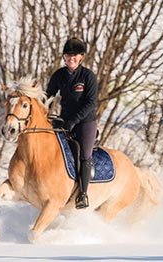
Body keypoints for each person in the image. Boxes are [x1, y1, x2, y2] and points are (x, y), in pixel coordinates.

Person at [46, 37, 99, 209]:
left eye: (75, 55)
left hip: (85, 122)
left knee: (84, 154)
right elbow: (48, 96)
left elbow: (91, 103)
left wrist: (73, 121)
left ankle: (82, 194)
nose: (71, 58)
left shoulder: (88, 76)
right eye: (68, 55)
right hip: (64, 119)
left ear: (81, 57)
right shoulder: (59, 75)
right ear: (64, 57)